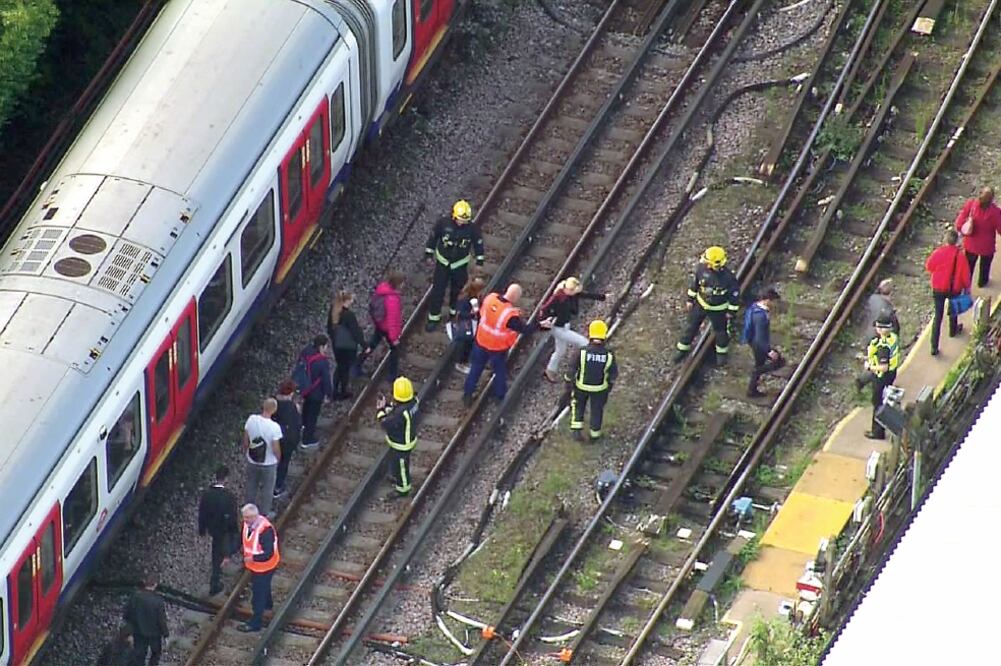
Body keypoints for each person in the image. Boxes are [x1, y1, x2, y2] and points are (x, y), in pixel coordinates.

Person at [462, 283, 551, 406]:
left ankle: (467, 394)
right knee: (499, 371)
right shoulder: (509, 315)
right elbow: (524, 329)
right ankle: (499, 396)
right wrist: (540, 325)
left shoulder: (490, 298)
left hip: (480, 342)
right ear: (515, 298)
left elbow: (484, 313)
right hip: (497, 348)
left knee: (475, 369)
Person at [425, 199, 485, 331]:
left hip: (460, 265)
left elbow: (478, 245)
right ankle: (433, 318)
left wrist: (479, 262)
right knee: (438, 291)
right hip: (443, 262)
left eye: (465, 221)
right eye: (460, 220)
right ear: (453, 216)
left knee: (457, 291)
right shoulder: (443, 224)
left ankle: (454, 314)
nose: (462, 223)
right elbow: (433, 238)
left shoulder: (472, 229)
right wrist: (429, 254)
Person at [674, 246, 740, 365]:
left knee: (720, 332)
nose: (705, 262)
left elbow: (734, 297)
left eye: (707, 261)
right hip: (700, 305)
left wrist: (731, 312)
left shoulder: (729, 278)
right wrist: (690, 299)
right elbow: (695, 285)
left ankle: (721, 355)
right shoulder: (701, 269)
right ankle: (682, 349)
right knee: (691, 327)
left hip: (718, 310)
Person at [540, 277, 608, 383]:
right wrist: (546, 320)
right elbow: (544, 309)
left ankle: (550, 370)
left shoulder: (572, 294)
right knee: (584, 342)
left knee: (560, 350)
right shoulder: (557, 297)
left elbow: (586, 295)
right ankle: (585, 369)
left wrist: (602, 297)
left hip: (565, 324)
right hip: (557, 328)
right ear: (569, 290)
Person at [566, 320, 618, 441]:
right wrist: (609, 386)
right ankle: (595, 435)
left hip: (581, 387)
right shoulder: (609, 354)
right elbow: (613, 373)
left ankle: (576, 431)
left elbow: (572, 368)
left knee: (578, 406)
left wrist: (568, 382)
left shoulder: (582, 352)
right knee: (597, 410)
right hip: (600, 389)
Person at [925, 228, 972, 356]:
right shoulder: (960, 256)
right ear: (956, 241)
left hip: (938, 288)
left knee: (938, 317)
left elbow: (929, 266)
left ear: (945, 240)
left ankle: (934, 347)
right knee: (953, 310)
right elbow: (965, 275)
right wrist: (967, 288)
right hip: (954, 288)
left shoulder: (938, 252)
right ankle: (953, 330)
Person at [855, 317, 901, 440]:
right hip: (892, 373)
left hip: (881, 377)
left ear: (881, 329)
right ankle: (880, 429)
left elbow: (883, 367)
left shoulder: (883, 347)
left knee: (878, 403)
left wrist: (870, 366)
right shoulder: (893, 338)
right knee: (883, 401)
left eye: (877, 327)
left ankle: (878, 432)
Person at [198, 465, 239, 596]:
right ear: (226, 479)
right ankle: (215, 582)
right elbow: (233, 517)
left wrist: (202, 530)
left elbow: (202, 513)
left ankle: (217, 575)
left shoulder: (207, 495)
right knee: (225, 550)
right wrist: (234, 531)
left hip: (213, 529)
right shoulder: (230, 497)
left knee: (216, 552)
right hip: (225, 530)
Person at [238, 504, 280, 632]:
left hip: (265, 566)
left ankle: (255, 623)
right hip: (256, 566)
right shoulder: (248, 525)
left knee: (257, 595)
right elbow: (243, 541)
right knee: (264, 586)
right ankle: (268, 605)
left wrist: (253, 558)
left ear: (254, 516)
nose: (244, 520)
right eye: (244, 517)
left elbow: (268, 553)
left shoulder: (265, 530)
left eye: (246, 518)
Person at [377, 376, 420, 499]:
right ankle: (396, 476)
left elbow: (385, 423)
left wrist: (381, 410)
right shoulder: (414, 402)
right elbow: (399, 408)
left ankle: (403, 489)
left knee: (402, 465)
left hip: (401, 444)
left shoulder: (401, 413)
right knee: (397, 462)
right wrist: (389, 406)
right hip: (407, 439)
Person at [955, 186, 1001, 288]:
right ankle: (982, 282)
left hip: (970, 244)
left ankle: (967, 285)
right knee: (985, 266)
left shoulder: (971, 205)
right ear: (992, 199)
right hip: (987, 246)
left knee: (969, 267)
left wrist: (962, 228)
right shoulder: (995, 212)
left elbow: (959, 223)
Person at [361, 271, 404, 380]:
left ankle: (357, 364)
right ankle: (392, 375)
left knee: (372, 343)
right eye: (402, 283)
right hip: (387, 328)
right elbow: (392, 321)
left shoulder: (382, 289)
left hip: (379, 324)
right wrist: (394, 338)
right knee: (394, 350)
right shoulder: (392, 299)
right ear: (398, 284)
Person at [243, 398, 283, 516]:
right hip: (269, 463)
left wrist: (246, 452)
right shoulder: (274, 427)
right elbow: (275, 447)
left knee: (251, 485)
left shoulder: (251, 419)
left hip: (252, 459)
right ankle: (264, 513)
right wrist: (278, 458)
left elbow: (246, 440)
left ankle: (248, 511)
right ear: (274, 410)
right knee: (267, 489)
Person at [742, 287, 785, 398]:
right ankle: (754, 378)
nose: (775, 304)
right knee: (779, 361)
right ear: (767, 300)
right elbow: (760, 337)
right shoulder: (761, 316)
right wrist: (769, 351)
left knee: (760, 364)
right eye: (774, 301)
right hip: (759, 345)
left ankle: (752, 390)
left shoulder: (754, 308)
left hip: (754, 342)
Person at [327, 290, 368, 400]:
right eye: (351, 300)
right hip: (347, 347)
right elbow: (355, 332)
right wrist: (364, 345)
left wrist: (334, 339)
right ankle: (343, 392)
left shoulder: (333, 310)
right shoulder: (349, 315)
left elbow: (329, 328)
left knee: (339, 366)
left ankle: (334, 390)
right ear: (346, 301)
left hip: (337, 346)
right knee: (345, 369)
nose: (352, 302)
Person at [296, 335, 333, 450]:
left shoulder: (306, 351)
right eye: (326, 346)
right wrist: (329, 394)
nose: (327, 349)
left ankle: (302, 426)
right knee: (313, 414)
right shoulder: (322, 362)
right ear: (321, 346)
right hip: (316, 392)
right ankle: (307, 440)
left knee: (307, 408)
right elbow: (326, 380)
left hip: (305, 388)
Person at [122, 575, 168, 666]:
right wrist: (166, 634)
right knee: (156, 653)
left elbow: (126, 613)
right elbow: (161, 620)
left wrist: (130, 627)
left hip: (138, 631)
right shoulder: (158, 601)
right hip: (154, 634)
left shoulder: (135, 597)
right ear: (155, 584)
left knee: (139, 655)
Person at [449, 276, 486, 374]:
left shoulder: (476, 298)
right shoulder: (464, 299)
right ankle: (461, 363)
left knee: (470, 344)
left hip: (472, 324)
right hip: (466, 325)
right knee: (465, 345)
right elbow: (461, 313)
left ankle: (466, 361)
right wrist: (472, 314)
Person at [272, 380, 301, 497]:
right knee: (283, 463)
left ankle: (272, 484)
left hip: (274, 440)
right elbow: (297, 424)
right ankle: (278, 487)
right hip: (287, 441)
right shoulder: (292, 407)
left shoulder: (273, 404)